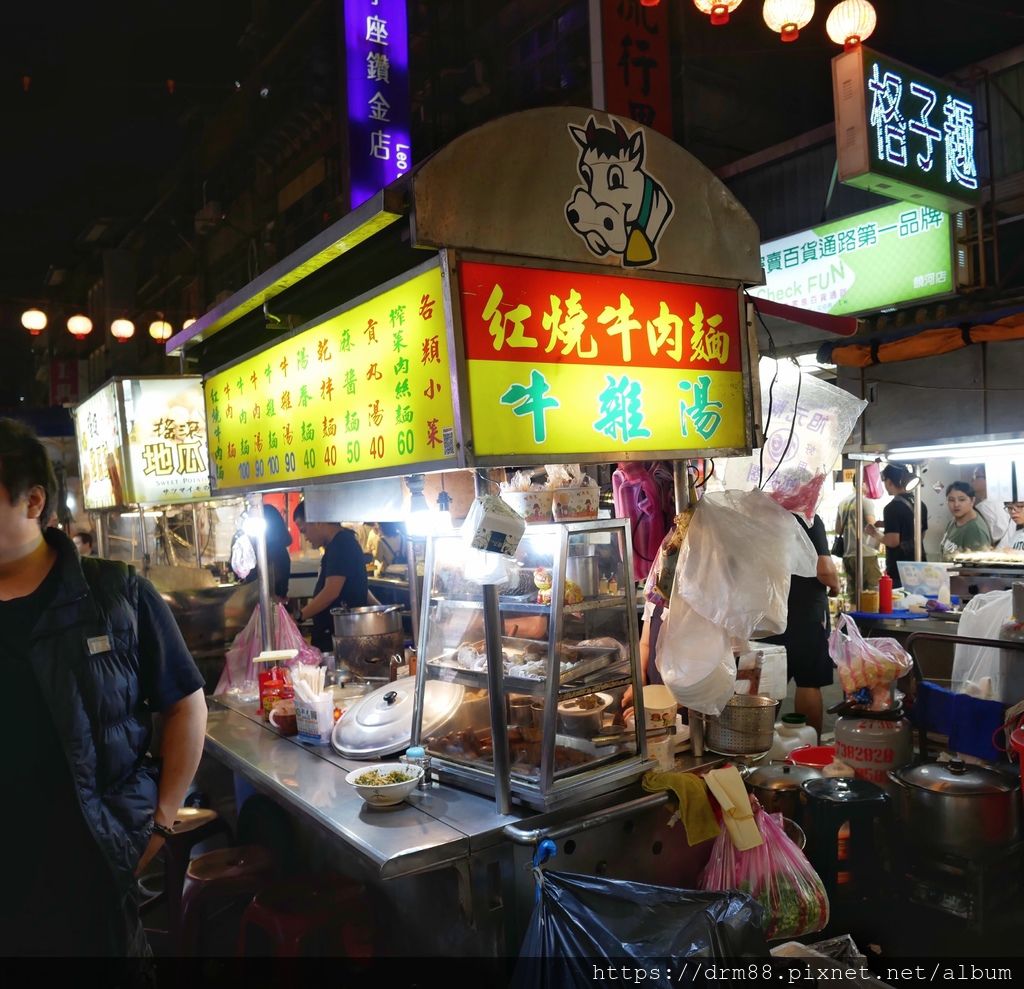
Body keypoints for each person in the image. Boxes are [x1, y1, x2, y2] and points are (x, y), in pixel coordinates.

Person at [0, 418, 207, 958]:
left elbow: (185, 704)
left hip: (90, 872)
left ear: (32, 502)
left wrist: (159, 825)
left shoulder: (113, 593)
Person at [763, 513, 840, 739]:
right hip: (805, 609)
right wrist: (835, 586)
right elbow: (824, 568)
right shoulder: (809, 519)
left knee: (769, 679)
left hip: (770, 607)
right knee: (808, 680)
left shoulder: (765, 516)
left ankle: (757, 744)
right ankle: (810, 747)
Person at [293, 501, 370, 652]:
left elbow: (331, 591)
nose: (306, 537)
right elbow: (357, 586)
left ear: (318, 521)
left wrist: (299, 616)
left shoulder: (340, 544)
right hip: (340, 634)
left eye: (304, 530)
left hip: (338, 637)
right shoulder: (341, 543)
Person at [867, 465, 928, 588]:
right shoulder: (920, 504)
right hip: (920, 565)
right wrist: (886, 524)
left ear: (889, 482)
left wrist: (873, 532)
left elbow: (893, 541)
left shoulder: (891, 508)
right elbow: (920, 533)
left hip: (900, 570)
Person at [835, 481, 881, 596]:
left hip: (848, 554)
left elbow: (838, 529)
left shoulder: (842, 503)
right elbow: (872, 525)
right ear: (863, 483)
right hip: (865, 554)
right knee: (872, 592)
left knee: (853, 594)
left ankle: (853, 614)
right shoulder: (865, 501)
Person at [940, 481, 994, 560]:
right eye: (951, 500)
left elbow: (977, 568)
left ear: (972, 500)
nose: (956, 504)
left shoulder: (975, 530)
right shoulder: (953, 522)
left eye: (962, 500)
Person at [971, 466, 1012, 549]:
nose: (972, 480)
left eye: (975, 476)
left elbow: (981, 537)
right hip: (1010, 552)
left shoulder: (982, 507)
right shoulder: (1006, 503)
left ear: (988, 480)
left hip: (994, 554)